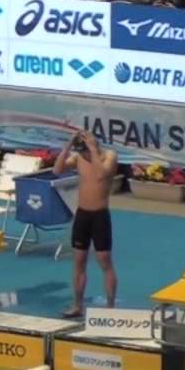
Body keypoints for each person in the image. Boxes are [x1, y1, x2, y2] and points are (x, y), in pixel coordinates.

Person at [54, 131, 118, 318]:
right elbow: (57, 170)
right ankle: (77, 306)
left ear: (94, 146)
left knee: (104, 261)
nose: (83, 155)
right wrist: (67, 146)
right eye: (80, 152)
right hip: (82, 215)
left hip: (100, 216)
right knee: (79, 262)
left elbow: (101, 175)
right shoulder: (78, 157)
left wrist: (92, 150)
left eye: (85, 151)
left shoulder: (109, 156)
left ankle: (111, 309)